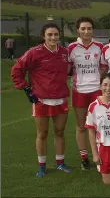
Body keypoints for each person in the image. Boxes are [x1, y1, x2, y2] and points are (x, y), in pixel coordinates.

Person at [11, 23, 72, 177]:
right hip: (41, 100)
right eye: (49, 34)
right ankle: (42, 166)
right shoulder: (34, 52)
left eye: (56, 34)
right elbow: (17, 70)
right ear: (43, 36)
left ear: (59, 36)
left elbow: (70, 70)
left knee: (59, 132)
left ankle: (60, 163)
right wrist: (25, 88)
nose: (53, 37)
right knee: (42, 133)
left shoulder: (64, 52)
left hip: (61, 98)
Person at [68, 16, 104, 170]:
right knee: (81, 126)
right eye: (83, 28)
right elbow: (66, 70)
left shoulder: (100, 46)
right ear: (78, 30)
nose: (86, 31)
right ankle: (84, 159)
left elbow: (103, 68)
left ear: (92, 30)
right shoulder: (71, 48)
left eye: (89, 28)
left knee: (100, 125)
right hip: (79, 91)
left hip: (97, 90)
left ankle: (102, 155)